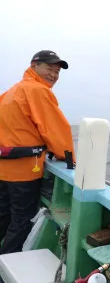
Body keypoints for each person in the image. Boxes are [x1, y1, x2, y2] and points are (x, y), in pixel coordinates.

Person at [0, 50, 75, 254]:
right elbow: (55, 129)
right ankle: (4, 266)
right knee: (22, 221)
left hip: (3, 169)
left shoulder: (11, 92)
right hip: (23, 171)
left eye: (57, 71)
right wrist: (68, 157)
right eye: (49, 68)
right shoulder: (38, 91)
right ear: (34, 66)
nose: (54, 74)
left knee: (4, 216)